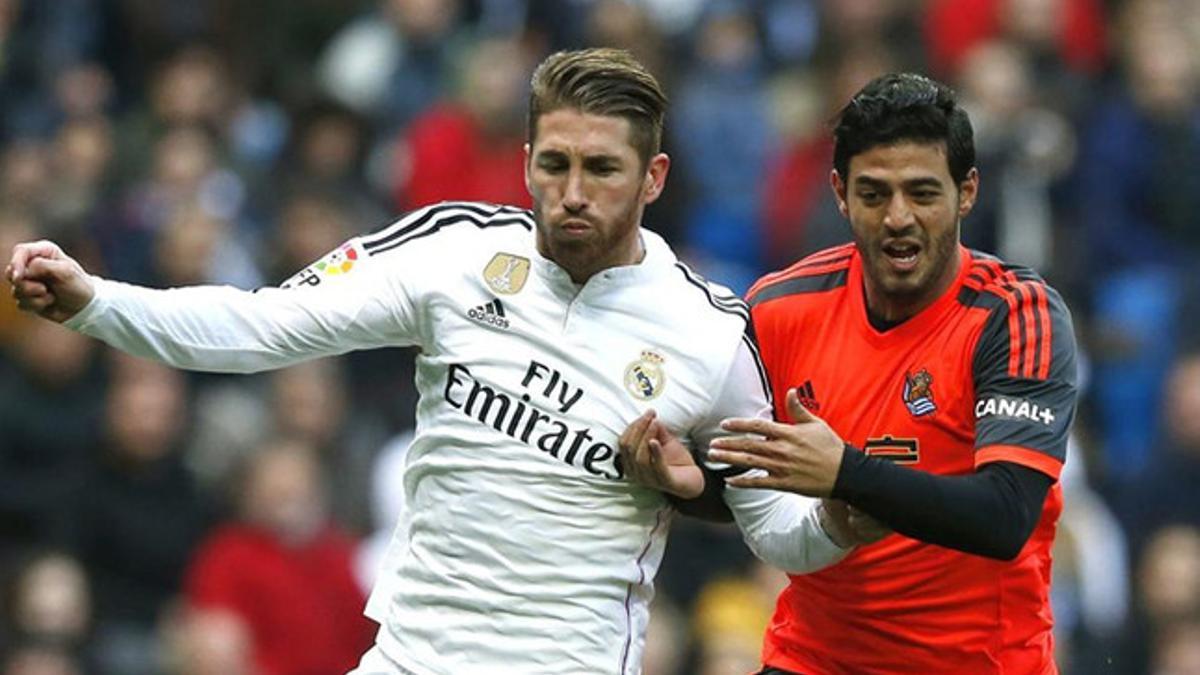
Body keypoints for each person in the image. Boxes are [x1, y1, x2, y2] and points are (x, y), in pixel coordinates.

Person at [7, 48, 877, 675]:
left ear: (652, 178)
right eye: (554, 164)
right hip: (409, 653)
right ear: (527, 159)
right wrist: (97, 301)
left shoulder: (710, 333)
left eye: (602, 170)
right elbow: (261, 326)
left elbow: (782, 539)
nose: (572, 193)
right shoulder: (454, 251)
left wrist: (850, 504)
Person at [638, 73, 1079, 673]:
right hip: (813, 659)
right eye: (874, 195)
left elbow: (1004, 516)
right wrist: (694, 486)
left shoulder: (1016, 315)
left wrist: (846, 471)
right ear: (840, 194)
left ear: (967, 192)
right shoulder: (777, 310)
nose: (898, 217)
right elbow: (755, 496)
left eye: (923, 193)